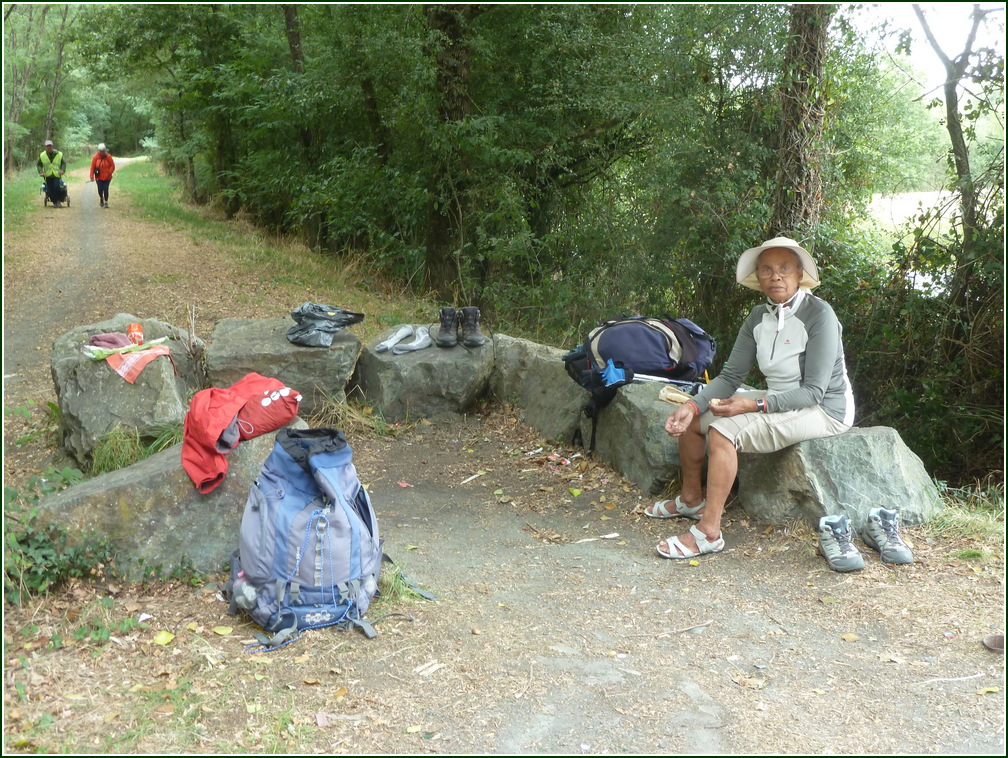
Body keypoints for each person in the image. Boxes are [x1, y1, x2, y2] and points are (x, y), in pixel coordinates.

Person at [645, 236, 855, 560]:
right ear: (758, 278)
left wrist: (754, 405)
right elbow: (730, 378)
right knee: (695, 419)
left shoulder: (819, 315)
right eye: (767, 270)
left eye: (784, 268)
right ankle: (691, 499)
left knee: (724, 431)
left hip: (823, 409)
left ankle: (709, 532)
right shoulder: (758, 316)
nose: (776, 276)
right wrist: (690, 405)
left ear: (800, 273)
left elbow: (814, 391)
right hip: (777, 397)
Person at [37, 139, 67, 207]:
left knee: (57, 187)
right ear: (45, 147)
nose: (49, 147)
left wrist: (63, 170)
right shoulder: (42, 155)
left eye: (50, 146)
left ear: (52, 146)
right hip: (48, 175)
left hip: (56, 174)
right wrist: (41, 172)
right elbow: (39, 165)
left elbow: (63, 163)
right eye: (48, 146)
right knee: (50, 189)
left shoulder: (59, 154)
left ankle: (59, 201)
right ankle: (54, 202)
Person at [89, 143, 115, 208]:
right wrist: (92, 176)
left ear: (105, 150)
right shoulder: (95, 157)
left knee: (106, 189)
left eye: (103, 151)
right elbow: (92, 167)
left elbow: (112, 165)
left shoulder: (108, 157)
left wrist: (110, 172)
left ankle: (106, 202)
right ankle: (101, 198)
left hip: (107, 177)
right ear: (98, 151)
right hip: (99, 177)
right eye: (100, 151)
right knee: (100, 189)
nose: (102, 153)